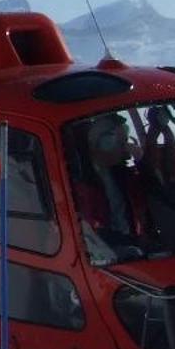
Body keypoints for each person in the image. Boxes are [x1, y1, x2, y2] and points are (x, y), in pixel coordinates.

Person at [73, 112, 151, 262]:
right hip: (106, 253)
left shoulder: (123, 175)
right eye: (122, 144)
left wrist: (141, 161)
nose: (126, 150)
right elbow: (88, 228)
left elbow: (150, 195)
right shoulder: (83, 182)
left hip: (132, 244)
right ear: (104, 145)